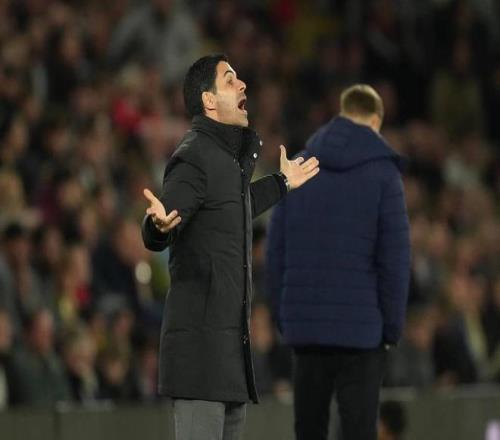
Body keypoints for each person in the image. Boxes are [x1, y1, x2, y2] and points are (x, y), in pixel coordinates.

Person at [141, 54, 319, 440]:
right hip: (200, 361)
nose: (242, 85)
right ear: (208, 100)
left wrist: (281, 183)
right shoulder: (194, 156)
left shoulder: (225, 160)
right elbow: (166, 217)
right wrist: (156, 228)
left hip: (228, 361)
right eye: (229, 80)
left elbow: (235, 207)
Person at [266, 84, 410, 440]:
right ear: (375, 121)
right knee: (359, 431)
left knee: (309, 430)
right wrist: (390, 329)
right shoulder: (384, 175)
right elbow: (394, 262)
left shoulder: (298, 168)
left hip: (306, 329)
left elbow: (275, 250)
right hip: (362, 335)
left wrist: (283, 317)